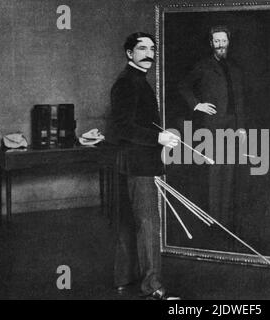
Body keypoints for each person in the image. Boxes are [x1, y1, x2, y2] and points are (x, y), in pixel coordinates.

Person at [107, 32, 180, 300]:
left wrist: (159, 137)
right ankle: (153, 288)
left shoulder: (136, 80)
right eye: (142, 49)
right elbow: (122, 127)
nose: (149, 53)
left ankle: (123, 279)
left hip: (134, 164)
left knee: (130, 223)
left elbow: (136, 123)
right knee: (148, 225)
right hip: (139, 165)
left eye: (152, 48)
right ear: (129, 53)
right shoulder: (127, 83)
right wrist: (158, 137)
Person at [177, 25, 246, 250]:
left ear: (229, 41)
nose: (220, 45)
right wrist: (197, 105)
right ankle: (212, 223)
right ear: (211, 44)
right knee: (214, 175)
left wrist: (242, 127)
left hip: (232, 128)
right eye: (216, 41)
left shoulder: (235, 68)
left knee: (229, 174)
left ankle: (225, 222)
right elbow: (183, 85)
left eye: (223, 40)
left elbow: (240, 101)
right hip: (212, 129)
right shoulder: (203, 66)